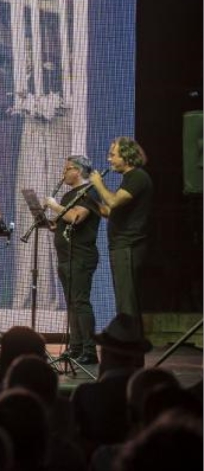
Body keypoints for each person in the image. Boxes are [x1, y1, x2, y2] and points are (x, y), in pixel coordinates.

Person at [89, 137, 152, 336]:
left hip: (129, 246)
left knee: (127, 303)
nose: (109, 160)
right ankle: (130, 352)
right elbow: (109, 211)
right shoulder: (129, 178)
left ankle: (129, 353)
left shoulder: (137, 177)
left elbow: (114, 202)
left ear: (127, 156)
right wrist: (91, 200)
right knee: (124, 300)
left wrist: (99, 184)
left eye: (113, 155)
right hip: (121, 246)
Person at [44, 155, 101, 365]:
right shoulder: (70, 194)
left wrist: (54, 206)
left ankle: (90, 350)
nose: (63, 173)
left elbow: (76, 217)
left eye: (67, 169)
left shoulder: (89, 191)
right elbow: (65, 222)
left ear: (78, 171)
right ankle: (76, 348)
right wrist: (52, 223)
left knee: (80, 302)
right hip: (66, 256)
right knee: (71, 304)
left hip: (81, 256)